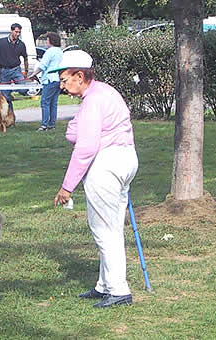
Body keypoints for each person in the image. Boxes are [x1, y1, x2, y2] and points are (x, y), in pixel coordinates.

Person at [52, 50, 139, 308]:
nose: (62, 85)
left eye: (65, 79)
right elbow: (74, 131)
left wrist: (67, 187)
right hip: (126, 159)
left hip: (106, 164)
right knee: (111, 226)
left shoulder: (92, 102)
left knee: (104, 229)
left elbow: (85, 146)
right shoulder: (104, 92)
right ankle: (105, 285)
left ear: (80, 75)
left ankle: (118, 290)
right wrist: (74, 131)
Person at [27, 32, 63, 131]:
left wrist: (33, 74)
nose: (46, 41)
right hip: (57, 79)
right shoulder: (60, 51)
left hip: (49, 80)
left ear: (51, 41)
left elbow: (42, 66)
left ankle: (44, 125)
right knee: (53, 103)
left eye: (47, 40)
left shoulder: (50, 51)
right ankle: (52, 124)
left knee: (45, 102)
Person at [0, 23, 29, 112]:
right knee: (5, 97)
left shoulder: (21, 44)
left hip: (16, 70)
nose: (18, 34)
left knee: (24, 90)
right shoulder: (1, 42)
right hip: (4, 70)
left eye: (19, 32)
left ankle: (11, 90)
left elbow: (25, 58)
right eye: (16, 32)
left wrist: (26, 71)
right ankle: (10, 116)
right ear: (11, 31)